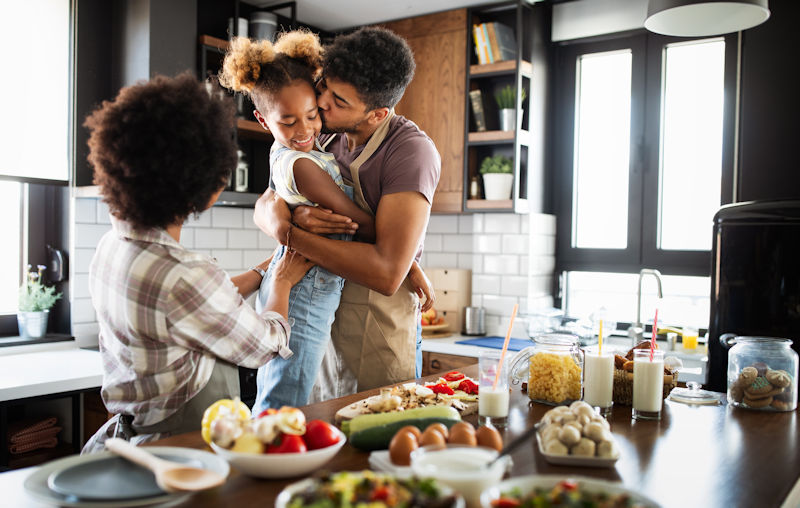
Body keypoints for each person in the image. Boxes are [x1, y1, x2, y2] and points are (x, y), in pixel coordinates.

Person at [81, 73, 313, 453]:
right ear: (201, 180)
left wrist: (260, 272)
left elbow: (196, 306)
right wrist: (281, 282)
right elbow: (264, 344)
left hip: (129, 438)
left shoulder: (112, 246)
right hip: (184, 448)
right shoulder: (184, 274)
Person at [217, 31, 433, 410]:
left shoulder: (409, 152)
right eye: (324, 87)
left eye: (338, 101)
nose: (320, 103)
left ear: (377, 113)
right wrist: (282, 217)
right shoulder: (323, 136)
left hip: (376, 333)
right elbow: (270, 198)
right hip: (320, 321)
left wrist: (289, 232)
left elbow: (386, 273)